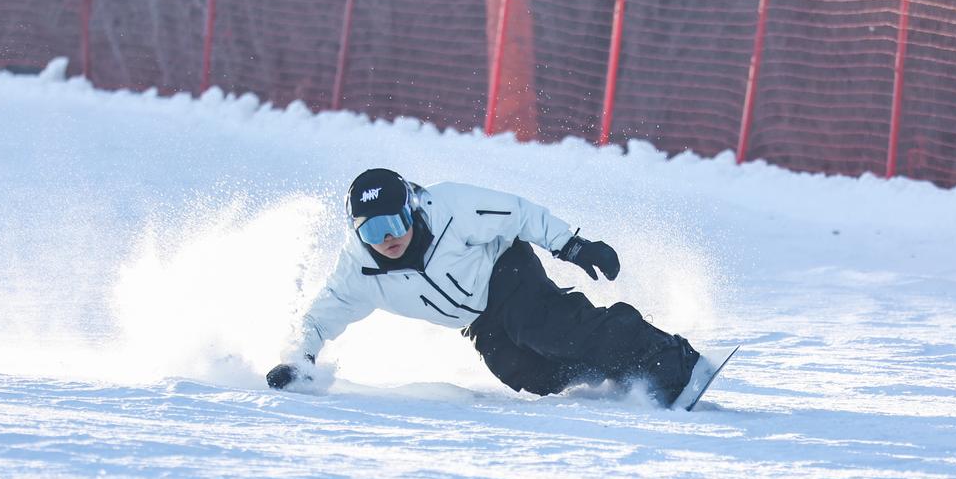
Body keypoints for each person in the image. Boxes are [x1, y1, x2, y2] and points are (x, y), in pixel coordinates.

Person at [266, 168, 716, 408]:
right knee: (526, 372)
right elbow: (318, 319)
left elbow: (517, 212)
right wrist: (298, 361)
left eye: (395, 221)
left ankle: (672, 361)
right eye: (372, 230)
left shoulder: (450, 206)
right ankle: (623, 372)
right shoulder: (358, 272)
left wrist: (574, 246)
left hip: (505, 270)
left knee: (545, 327)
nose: (388, 238)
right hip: (476, 318)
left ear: (413, 208)